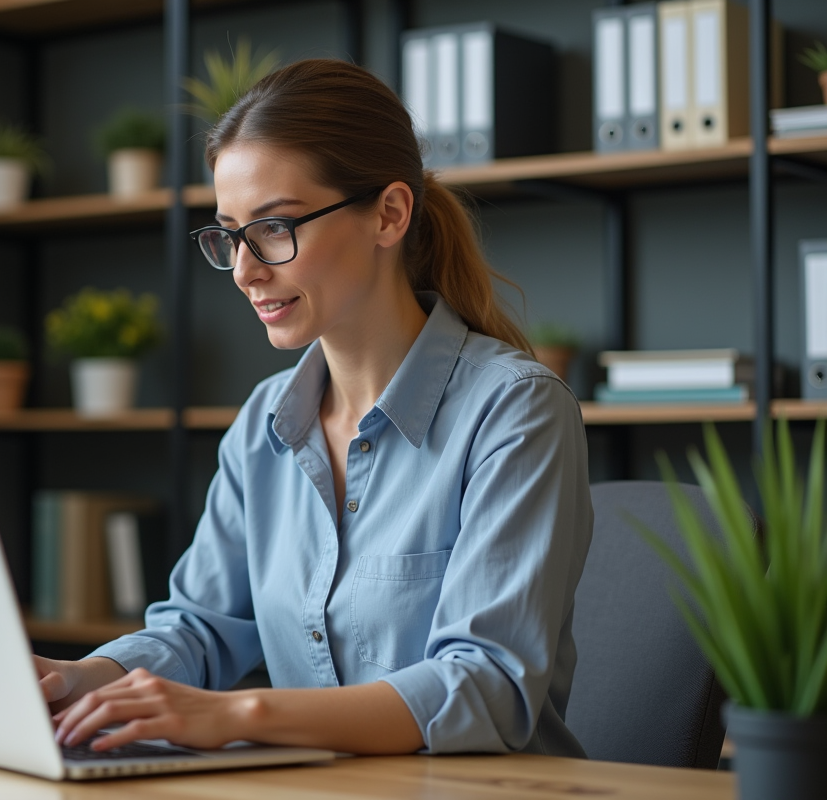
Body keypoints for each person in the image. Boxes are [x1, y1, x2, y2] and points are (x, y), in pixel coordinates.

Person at [38, 58, 592, 757]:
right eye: (230, 234)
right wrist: (79, 679)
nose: (244, 270)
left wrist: (239, 715)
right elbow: (202, 626)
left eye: (274, 229)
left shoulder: (515, 411)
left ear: (389, 214)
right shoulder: (265, 421)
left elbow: (483, 688)